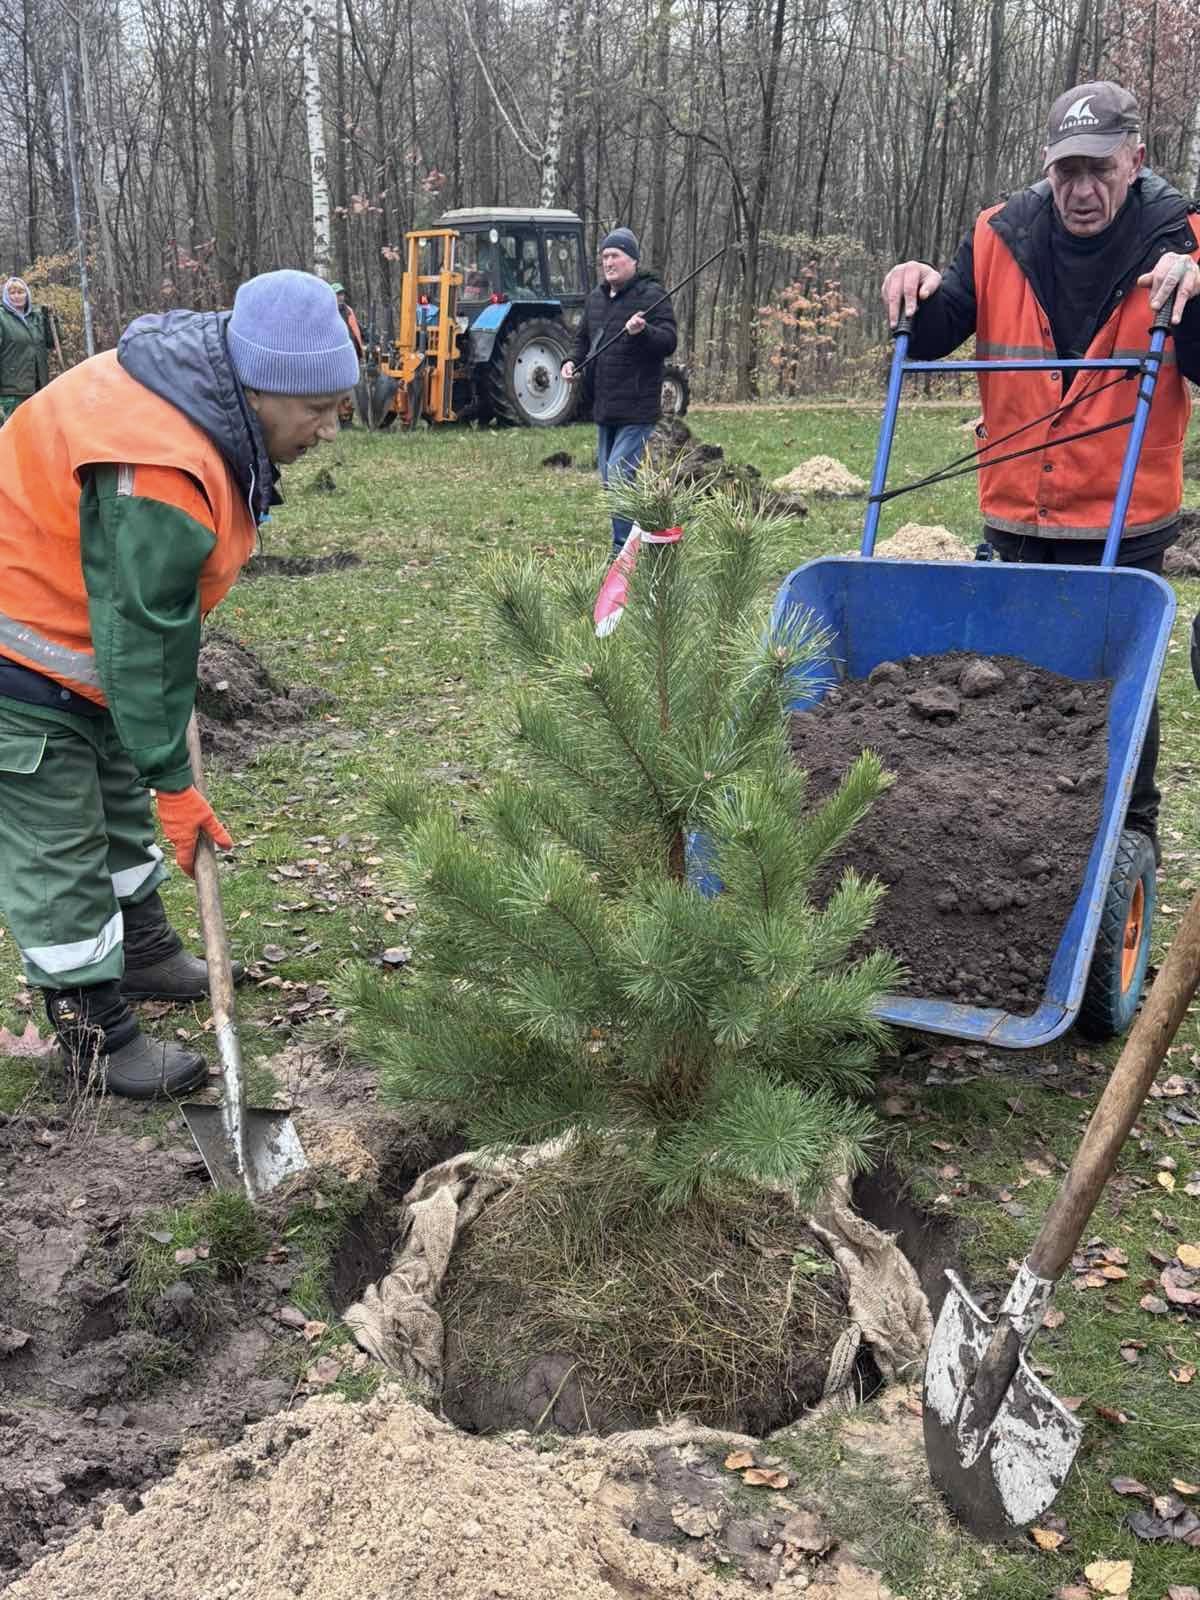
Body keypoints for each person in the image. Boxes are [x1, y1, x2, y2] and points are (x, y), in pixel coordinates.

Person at [0, 269, 358, 1098]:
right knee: (62, 846)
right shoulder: (158, 468)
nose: (332, 430)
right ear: (266, 389)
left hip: (75, 645)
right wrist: (174, 780)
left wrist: (151, 763)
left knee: (119, 802)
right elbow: (139, 632)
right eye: (319, 410)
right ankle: (95, 1032)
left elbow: (149, 624)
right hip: (18, 659)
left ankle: (147, 951)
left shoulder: (212, 401)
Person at [882, 81, 1200, 863]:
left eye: (1099, 170)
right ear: (1046, 167)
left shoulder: (1183, 238)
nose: (1082, 191)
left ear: (1136, 159)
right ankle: (1024, 834)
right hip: (1018, 503)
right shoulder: (1000, 233)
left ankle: (1132, 839)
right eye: (1066, 172)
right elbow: (936, 328)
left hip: (1125, 512)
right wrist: (911, 290)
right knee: (1017, 679)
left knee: (1116, 678)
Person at [562, 228, 678, 553]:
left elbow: (669, 341)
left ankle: (622, 552)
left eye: (616, 256)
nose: (609, 262)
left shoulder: (651, 295)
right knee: (611, 482)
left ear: (633, 261)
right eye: (605, 257)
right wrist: (571, 362)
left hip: (637, 408)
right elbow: (582, 340)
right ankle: (653, 532)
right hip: (605, 409)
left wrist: (644, 331)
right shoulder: (596, 299)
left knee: (618, 478)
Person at [0, 275, 54, 422]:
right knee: (11, 437)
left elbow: (51, 343)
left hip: (37, 388)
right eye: (12, 293)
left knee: (34, 434)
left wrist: (50, 319)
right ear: (6, 296)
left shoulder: (35, 317)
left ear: (27, 294)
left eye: (20, 292)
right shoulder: (2, 317)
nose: (17, 296)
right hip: (11, 393)